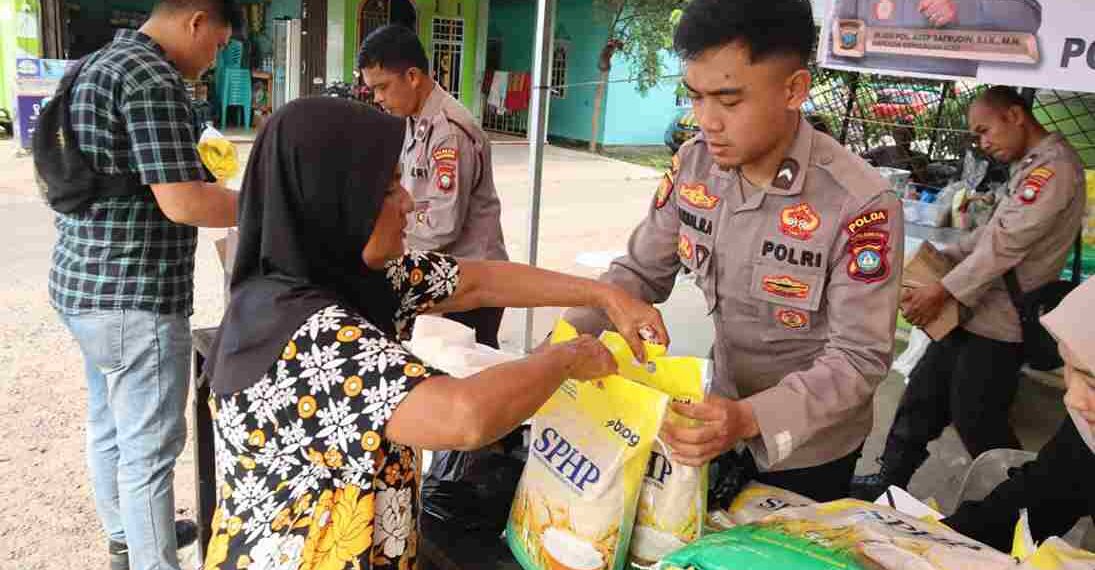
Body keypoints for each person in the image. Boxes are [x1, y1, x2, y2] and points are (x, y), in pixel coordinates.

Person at [202, 97, 668, 570]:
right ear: (330, 200)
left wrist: (604, 295)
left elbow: (477, 282)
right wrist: (565, 358)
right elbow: (462, 418)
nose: (409, 202)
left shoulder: (350, 274)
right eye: (387, 189)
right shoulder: (300, 331)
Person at [564, 0, 905, 503]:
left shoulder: (859, 204)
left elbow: (859, 358)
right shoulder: (694, 166)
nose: (706, 121)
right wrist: (559, 346)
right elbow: (637, 273)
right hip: (715, 410)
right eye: (695, 97)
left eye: (728, 100)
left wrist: (749, 418)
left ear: (794, 90)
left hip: (807, 447)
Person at [47, 1, 241, 569]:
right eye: (219, 45)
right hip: (134, 296)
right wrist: (271, 203)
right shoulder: (152, 78)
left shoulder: (93, 64)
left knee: (109, 423)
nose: (214, 59)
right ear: (196, 21)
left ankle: (124, 536)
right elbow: (184, 202)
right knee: (150, 451)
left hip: (81, 284)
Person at [852, 86, 1087, 499]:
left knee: (977, 418)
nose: (983, 143)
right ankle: (887, 481)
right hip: (974, 310)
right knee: (922, 396)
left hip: (1002, 323)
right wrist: (944, 255)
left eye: (984, 130)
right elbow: (990, 233)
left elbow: (1006, 245)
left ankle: (1019, 503)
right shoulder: (1030, 164)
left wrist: (943, 289)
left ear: (1015, 116)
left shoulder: (1054, 168)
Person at [359, 24, 508, 349]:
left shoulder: (448, 132)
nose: (378, 98)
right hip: (446, 275)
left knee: (469, 369)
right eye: (373, 90)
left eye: (382, 87)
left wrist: (385, 246)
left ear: (412, 76)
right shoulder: (413, 120)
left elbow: (442, 225)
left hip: (473, 282)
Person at [942, 277, 1095, 552]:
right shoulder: (1085, 435)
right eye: (1069, 366)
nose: (1072, 399)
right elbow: (1038, 499)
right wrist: (924, 540)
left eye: (1092, 384)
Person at [829, 0, 1043, 78]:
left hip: (946, 78)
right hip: (869, 74)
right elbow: (837, 39)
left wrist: (963, 8)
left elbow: (1027, 18)